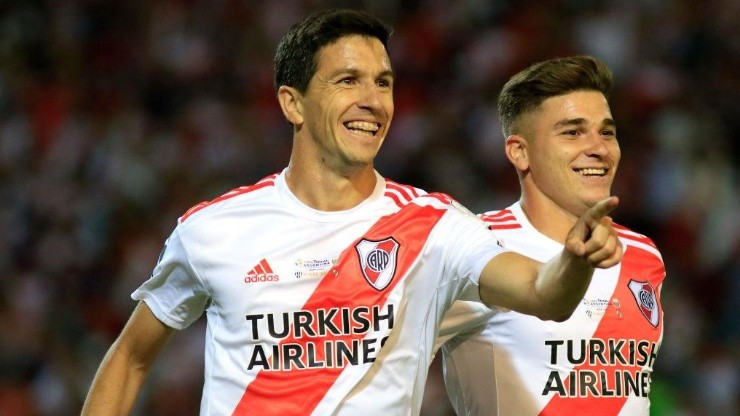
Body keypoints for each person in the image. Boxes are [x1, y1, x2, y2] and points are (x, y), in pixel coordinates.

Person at [81, 11, 622, 415]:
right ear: (293, 103)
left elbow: (543, 295)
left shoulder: (433, 224)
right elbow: (130, 357)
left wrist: (575, 260)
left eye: (383, 82)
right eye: (348, 81)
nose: (373, 100)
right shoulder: (213, 231)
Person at [438, 55, 665, 415]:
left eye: (607, 131)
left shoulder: (642, 254)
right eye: (572, 132)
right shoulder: (473, 244)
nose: (599, 148)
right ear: (519, 152)